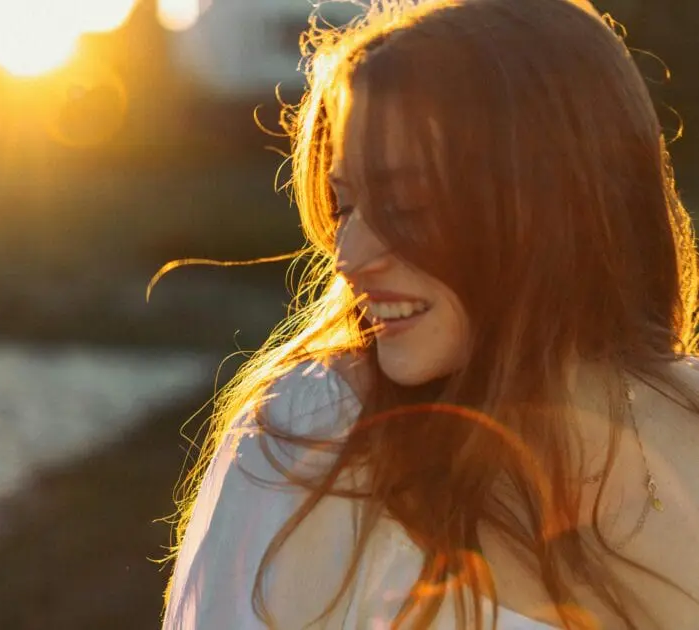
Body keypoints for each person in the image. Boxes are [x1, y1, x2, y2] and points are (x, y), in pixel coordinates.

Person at [160, 0, 699, 627]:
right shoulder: (315, 441)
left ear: (559, 205)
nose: (349, 257)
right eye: (344, 206)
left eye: (407, 207)